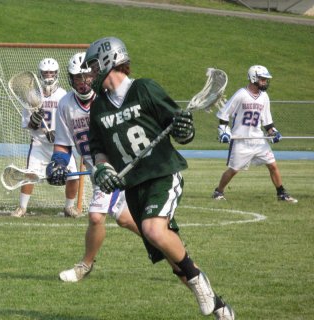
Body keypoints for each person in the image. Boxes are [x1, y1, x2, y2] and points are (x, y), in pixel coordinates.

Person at [82, 36, 235, 319]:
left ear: (108, 60)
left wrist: (183, 128)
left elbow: (180, 131)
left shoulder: (144, 89)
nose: (89, 73)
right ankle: (218, 305)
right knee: (170, 252)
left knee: (153, 229)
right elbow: (99, 149)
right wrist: (104, 170)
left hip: (162, 172)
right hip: (134, 185)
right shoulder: (99, 107)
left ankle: (200, 284)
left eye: (93, 66)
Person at [45, 52, 140, 282]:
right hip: (96, 169)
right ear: (70, 79)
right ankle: (167, 243)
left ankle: (84, 266)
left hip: (115, 166)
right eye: (78, 77)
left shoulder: (107, 99)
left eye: (87, 76)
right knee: (125, 219)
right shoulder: (66, 104)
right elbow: (62, 145)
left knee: (96, 216)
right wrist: (57, 163)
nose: (84, 81)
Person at [212, 65, 298, 203]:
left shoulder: (264, 97)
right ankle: (218, 191)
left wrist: (273, 132)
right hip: (241, 139)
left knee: (272, 165)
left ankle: (281, 193)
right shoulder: (241, 94)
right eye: (263, 79)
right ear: (254, 78)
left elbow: (267, 121)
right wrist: (223, 131)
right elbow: (224, 113)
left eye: (265, 79)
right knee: (233, 170)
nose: (265, 82)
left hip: (258, 139)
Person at [12, 58, 80, 217]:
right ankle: (22, 207)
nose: (48, 76)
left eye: (51, 72)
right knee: (30, 174)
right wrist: (34, 123)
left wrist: (60, 132)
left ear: (57, 74)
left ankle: (69, 207)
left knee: (73, 176)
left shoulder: (64, 95)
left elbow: (71, 120)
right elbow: (28, 124)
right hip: (39, 144)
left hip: (61, 144)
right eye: (45, 72)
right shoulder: (32, 95)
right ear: (40, 74)